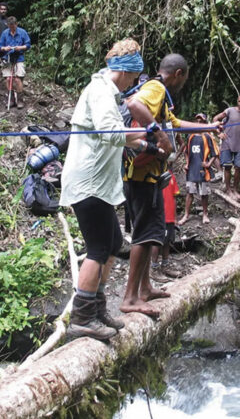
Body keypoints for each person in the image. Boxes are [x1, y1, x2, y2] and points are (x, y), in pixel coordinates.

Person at [60, 38, 152, 340]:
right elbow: (111, 133)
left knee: (112, 243)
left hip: (98, 184)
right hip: (88, 183)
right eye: (134, 78)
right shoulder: (100, 91)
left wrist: (142, 141)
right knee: (99, 248)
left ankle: (97, 308)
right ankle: (82, 317)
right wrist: (149, 132)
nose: (133, 84)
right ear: (127, 73)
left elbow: (113, 135)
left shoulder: (105, 92)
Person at [122, 54, 220, 318]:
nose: (183, 82)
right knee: (144, 236)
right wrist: (161, 136)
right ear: (178, 73)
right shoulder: (155, 88)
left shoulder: (160, 95)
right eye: (184, 78)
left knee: (150, 233)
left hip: (147, 176)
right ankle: (130, 297)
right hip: (142, 176)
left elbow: (176, 124)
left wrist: (209, 127)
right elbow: (134, 105)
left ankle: (144, 288)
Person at [179, 113, 218, 225]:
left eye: (201, 121)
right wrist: (187, 163)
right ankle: (186, 215)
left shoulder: (208, 136)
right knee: (189, 192)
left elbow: (215, 153)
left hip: (203, 169)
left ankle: (205, 214)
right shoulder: (190, 136)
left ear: (205, 123)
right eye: (197, 121)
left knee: (204, 193)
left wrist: (209, 163)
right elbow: (186, 152)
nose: (199, 123)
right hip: (192, 168)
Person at [150, 173, 182, 282]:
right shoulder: (153, 176)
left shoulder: (172, 177)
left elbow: (174, 197)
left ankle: (165, 265)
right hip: (158, 215)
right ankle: (154, 268)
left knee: (167, 241)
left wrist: (175, 218)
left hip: (169, 216)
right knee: (157, 241)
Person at [0, 16, 31, 109]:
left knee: (17, 79)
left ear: (16, 24)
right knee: (8, 79)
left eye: (13, 26)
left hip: (19, 57)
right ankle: (11, 99)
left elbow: (28, 45)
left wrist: (20, 47)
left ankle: (20, 100)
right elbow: (0, 46)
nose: (11, 28)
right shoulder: (5, 33)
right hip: (7, 58)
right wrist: (5, 48)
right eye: (10, 26)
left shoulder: (22, 32)